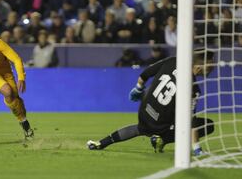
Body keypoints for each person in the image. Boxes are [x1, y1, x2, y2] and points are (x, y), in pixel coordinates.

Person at [87, 49, 215, 156]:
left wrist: (138, 89)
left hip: (145, 110)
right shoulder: (193, 88)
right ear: (199, 66)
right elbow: (190, 122)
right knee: (208, 125)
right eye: (210, 63)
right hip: (161, 125)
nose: (213, 66)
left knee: (140, 129)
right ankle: (162, 139)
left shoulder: (173, 61)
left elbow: (145, 74)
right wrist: (197, 148)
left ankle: (101, 143)